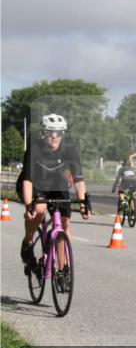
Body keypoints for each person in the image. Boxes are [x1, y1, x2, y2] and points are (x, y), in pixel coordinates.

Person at [17, 114, 92, 273]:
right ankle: (28, 241)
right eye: (49, 132)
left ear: (63, 134)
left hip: (57, 184)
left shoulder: (69, 148)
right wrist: (30, 205)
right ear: (43, 133)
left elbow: (78, 178)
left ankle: (63, 270)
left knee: (64, 223)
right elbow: (28, 180)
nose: (54, 136)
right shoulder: (34, 148)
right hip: (35, 184)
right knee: (40, 209)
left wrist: (84, 203)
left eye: (58, 132)